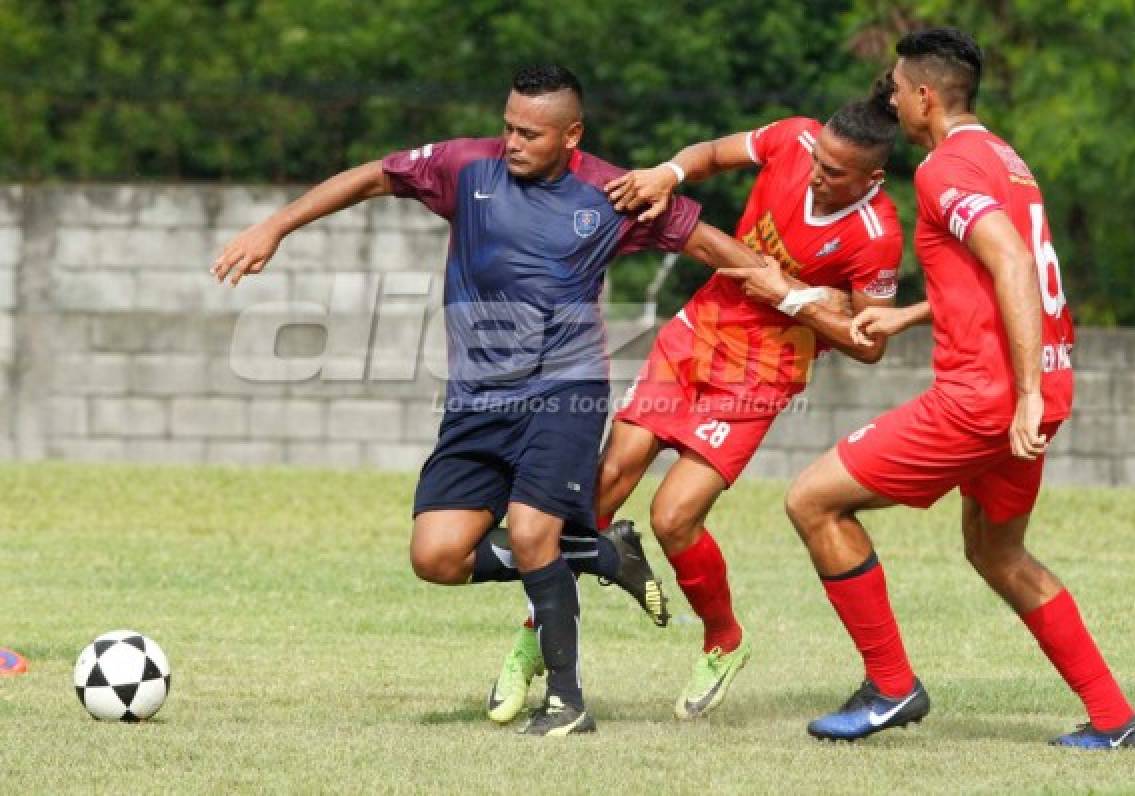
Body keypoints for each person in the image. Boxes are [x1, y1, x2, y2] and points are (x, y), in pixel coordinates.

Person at [211, 65, 794, 737]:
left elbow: (703, 243)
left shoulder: (611, 193)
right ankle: (604, 554)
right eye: (508, 126)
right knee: (435, 556)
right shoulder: (465, 167)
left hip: (563, 390)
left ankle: (569, 702)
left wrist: (787, 289)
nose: (513, 141)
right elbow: (372, 174)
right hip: (476, 401)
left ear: (571, 134)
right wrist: (274, 229)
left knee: (529, 530)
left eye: (531, 133)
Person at [482, 81, 904, 723]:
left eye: (835, 172)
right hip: (699, 332)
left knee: (674, 516)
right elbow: (710, 153)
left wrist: (790, 297)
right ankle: (528, 650)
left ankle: (724, 641)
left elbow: (870, 343)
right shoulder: (792, 136)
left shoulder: (877, 237)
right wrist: (667, 172)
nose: (816, 175)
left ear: (873, 177)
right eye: (817, 160)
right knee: (600, 489)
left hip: (763, 372)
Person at [784, 28, 1135, 748]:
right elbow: (996, 271)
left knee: (812, 500)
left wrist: (1021, 395)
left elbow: (1012, 265)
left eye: (894, 85)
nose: (887, 95)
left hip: (988, 396)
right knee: (997, 553)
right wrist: (914, 314)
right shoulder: (1005, 160)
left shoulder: (941, 169)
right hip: (1037, 384)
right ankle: (1113, 719)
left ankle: (891, 686)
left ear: (924, 96)